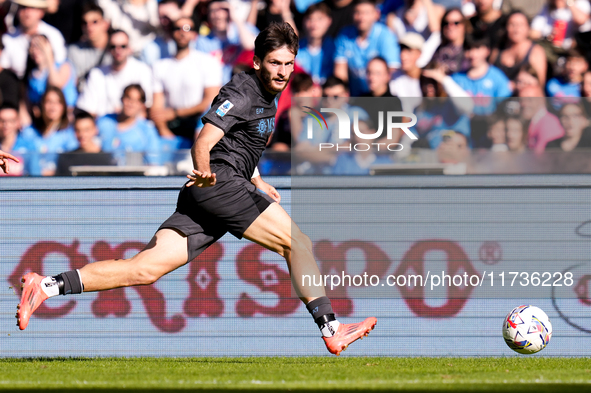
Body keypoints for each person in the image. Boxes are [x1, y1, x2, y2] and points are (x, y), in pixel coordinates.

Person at [17, 22, 377, 357]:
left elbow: (239, 144)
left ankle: (46, 286)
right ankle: (332, 328)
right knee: (297, 243)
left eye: (289, 63)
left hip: (220, 186)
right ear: (256, 62)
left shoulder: (271, 91)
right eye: (274, 63)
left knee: (144, 269)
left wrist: (255, 177)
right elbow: (204, 141)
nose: (283, 71)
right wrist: (206, 171)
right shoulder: (242, 90)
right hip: (218, 184)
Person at [150, 17, 222, 147]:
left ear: (194, 34)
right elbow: (157, 107)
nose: (182, 32)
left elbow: (210, 101)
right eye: (177, 28)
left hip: (200, 123)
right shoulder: (160, 66)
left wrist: (175, 113)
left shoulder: (207, 62)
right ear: (171, 33)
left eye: (187, 28)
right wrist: (163, 130)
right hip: (171, 125)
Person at [76, 30, 153, 118]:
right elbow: (87, 109)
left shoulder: (142, 70)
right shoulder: (96, 73)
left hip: (132, 125)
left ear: (129, 49)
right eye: (113, 46)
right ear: (108, 49)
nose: (118, 50)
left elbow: (145, 107)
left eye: (123, 46)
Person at [333, 0, 400, 96]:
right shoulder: (344, 35)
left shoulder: (386, 35)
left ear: (376, 14)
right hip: (355, 96)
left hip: (381, 95)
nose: (362, 17)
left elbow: (392, 71)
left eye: (366, 13)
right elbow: (340, 73)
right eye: (357, 12)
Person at [194, 0, 259, 84]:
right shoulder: (202, 41)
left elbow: (249, 45)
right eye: (213, 11)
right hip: (216, 89)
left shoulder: (244, 29)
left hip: (242, 88)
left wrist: (235, 18)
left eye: (223, 9)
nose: (218, 15)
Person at [1, 0, 67, 79]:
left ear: (41, 12)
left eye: (32, 8)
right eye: (23, 7)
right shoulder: (7, 38)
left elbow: (62, 67)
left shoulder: (54, 36)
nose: (27, 12)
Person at [97, 84, 161, 166]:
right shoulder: (104, 121)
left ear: (142, 106)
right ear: (121, 99)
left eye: (136, 101)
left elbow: (153, 163)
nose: (131, 103)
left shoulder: (147, 130)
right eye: (128, 98)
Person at [20, 86, 77, 176]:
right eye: (49, 101)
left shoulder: (69, 135)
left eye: (57, 102)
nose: (53, 106)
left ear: (63, 107)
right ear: (42, 105)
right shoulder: (29, 132)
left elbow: (72, 163)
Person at [490, 11, 547, 86]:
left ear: (528, 28)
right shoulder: (498, 49)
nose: (516, 29)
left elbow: (540, 85)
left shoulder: (536, 52)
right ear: (506, 27)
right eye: (512, 25)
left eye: (521, 25)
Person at [25, 34, 78, 110]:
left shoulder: (64, 66)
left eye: (39, 45)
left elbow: (55, 87)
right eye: (32, 46)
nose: (34, 50)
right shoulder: (32, 75)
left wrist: (48, 56)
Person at [67, 3, 112, 90]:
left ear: (106, 24)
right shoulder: (74, 51)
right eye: (85, 23)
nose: (89, 27)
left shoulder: (117, 48)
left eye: (95, 22)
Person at [55, 111, 115, 176]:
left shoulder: (106, 159)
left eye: (86, 130)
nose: (82, 135)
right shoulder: (66, 159)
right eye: (78, 130)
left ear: (95, 130)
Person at [296, 2, 335, 86]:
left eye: (319, 19)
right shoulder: (295, 49)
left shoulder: (335, 48)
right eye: (310, 19)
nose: (314, 24)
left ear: (329, 21)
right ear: (303, 21)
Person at [519, 84, 564, 152]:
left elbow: (542, 157)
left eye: (529, 100)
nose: (524, 104)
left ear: (541, 100)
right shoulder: (534, 121)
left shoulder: (549, 124)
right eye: (521, 100)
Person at [141, 0, 183, 66]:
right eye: (161, 17)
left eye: (167, 17)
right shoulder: (150, 47)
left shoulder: (192, 42)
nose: (164, 21)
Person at [431, 7, 470, 75]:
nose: (450, 27)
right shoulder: (439, 50)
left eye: (456, 23)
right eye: (446, 23)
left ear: (464, 25)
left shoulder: (470, 49)